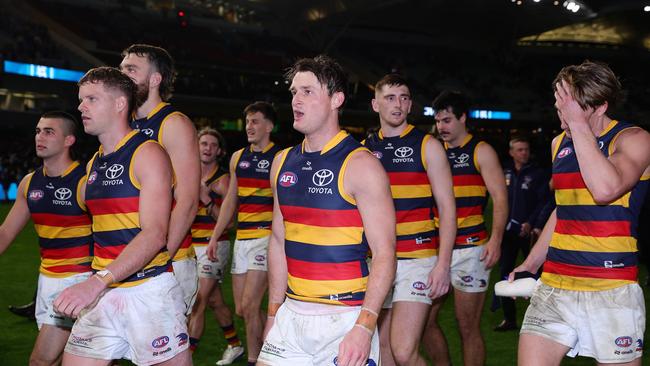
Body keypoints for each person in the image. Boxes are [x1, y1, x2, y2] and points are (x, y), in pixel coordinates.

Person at [257, 55, 396, 366]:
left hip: (345, 318)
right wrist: (273, 312)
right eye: (294, 92)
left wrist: (364, 326)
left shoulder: (362, 166)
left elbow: (385, 254)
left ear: (337, 99)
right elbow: (278, 241)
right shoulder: (282, 162)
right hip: (291, 315)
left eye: (308, 91)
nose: (296, 100)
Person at [511, 61, 650, 365]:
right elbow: (564, 209)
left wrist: (578, 126)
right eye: (560, 100)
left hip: (611, 287)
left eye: (569, 103)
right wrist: (531, 262)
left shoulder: (634, 139)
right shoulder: (558, 143)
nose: (560, 109)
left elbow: (604, 189)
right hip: (555, 284)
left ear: (599, 106)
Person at [54, 66, 190, 365]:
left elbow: (155, 234)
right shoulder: (94, 163)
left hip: (149, 292)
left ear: (119, 104)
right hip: (103, 291)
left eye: (91, 99)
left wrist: (97, 281)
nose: (81, 107)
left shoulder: (148, 153)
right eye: (81, 99)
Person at [363, 74, 456, 365]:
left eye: (404, 98)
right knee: (384, 353)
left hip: (417, 258)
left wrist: (442, 265)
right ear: (375, 104)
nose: (398, 104)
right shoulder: (363, 149)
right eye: (390, 97)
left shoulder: (427, 145)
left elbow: (448, 209)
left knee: (403, 350)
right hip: (377, 259)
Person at [0, 111, 93, 365]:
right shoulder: (29, 183)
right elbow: (6, 232)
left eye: (49, 132)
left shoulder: (84, 182)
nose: (40, 137)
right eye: (38, 131)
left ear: (68, 141)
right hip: (47, 279)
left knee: (41, 361)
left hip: (78, 281)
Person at [423, 90, 508, 366]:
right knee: (424, 322)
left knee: (467, 326)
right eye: (438, 121)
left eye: (447, 120)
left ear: (462, 118)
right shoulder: (435, 151)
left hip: (471, 249)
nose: (441, 127)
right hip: (437, 249)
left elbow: (500, 198)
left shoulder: (480, 150)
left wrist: (495, 240)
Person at [120, 44, 200, 315]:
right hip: (127, 259)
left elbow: (187, 201)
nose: (123, 75)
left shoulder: (173, 123)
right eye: (122, 69)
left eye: (131, 69)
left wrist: (159, 256)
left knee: (162, 355)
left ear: (155, 80)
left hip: (166, 261)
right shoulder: (124, 126)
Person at [206, 102, 281, 365]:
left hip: (267, 238)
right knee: (241, 309)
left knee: (250, 305)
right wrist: (215, 235)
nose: (249, 126)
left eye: (255, 121)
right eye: (247, 121)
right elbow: (230, 201)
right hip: (243, 239)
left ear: (269, 126)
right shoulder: (238, 157)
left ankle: (254, 358)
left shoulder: (280, 158)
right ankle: (279, 341)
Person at [188, 127, 244, 364]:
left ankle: (185, 357)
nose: (207, 148)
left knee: (198, 303)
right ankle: (235, 345)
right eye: (203, 144)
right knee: (214, 301)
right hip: (190, 247)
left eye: (212, 144)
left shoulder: (223, 180)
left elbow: (229, 222)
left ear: (219, 151)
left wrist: (207, 199)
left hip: (214, 247)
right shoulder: (187, 176)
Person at [494, 137, 551, 331]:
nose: (524, 153)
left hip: (530, 233)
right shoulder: (504, 172)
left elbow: (544, 202)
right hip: (509, 232)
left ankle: (544, 318)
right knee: (506, 274)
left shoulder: (538, 174)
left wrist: (532, 223)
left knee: (538, 274)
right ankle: (509, 319)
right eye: (519, 150)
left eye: (526, 149)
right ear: (511, 152)